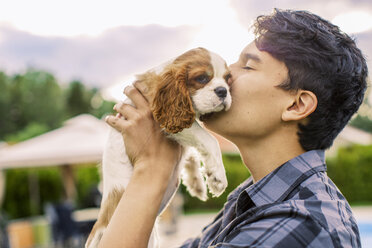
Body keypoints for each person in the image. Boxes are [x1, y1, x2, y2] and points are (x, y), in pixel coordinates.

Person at [100, 9, 368, 248]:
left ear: (297, 105)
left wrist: (151, 170)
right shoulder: (252, 199)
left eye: (247, 66)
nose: (228, 76)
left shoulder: (300, 224)